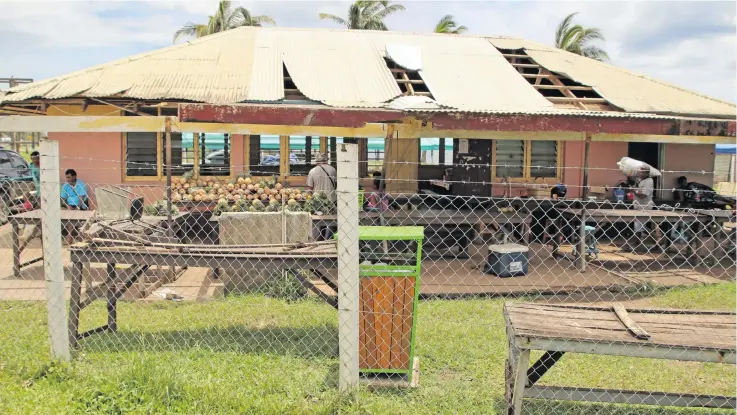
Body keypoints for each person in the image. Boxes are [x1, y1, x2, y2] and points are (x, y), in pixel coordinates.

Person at [307, 154, 336, 240]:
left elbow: (310, 188)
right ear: (327, 160)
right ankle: (330, 238)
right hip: (331, 201)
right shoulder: (333, 170)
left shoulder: (312, 171)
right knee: (331, 221)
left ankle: (320, 238)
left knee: (319, 221)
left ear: (317, 161)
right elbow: (337, 183)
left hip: (317, 202)